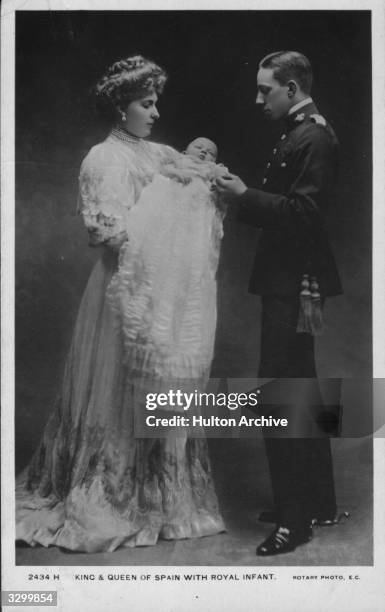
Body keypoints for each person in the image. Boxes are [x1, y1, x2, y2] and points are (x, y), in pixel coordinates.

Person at [16, 56, 225, 553]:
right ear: (120, 106)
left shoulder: (163, 153)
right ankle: (109, 492)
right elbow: (107, 231)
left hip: (169, 291)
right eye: (144, 104)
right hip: (122, 290)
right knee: (117, 389)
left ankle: (163, 496)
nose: (154, 113)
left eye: (156, 103)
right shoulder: (103, 158)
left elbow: (201, 197)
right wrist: (160, 228)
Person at [217, 51, 343, 556]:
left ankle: (296, 521)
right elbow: (287, 209)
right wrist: (238, 196)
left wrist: (244, 194)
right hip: (288, 281)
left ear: (291, 88)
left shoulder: (311, 135)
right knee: (301, 395)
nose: (257, 98)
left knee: (280, 398)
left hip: (293, 285)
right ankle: (317, 503)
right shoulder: (303, 130)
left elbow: (304, 214)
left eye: (265, 89)